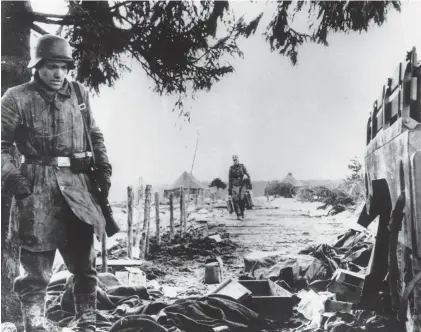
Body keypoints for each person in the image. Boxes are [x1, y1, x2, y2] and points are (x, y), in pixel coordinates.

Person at [1, 34, 112, 332]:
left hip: (78, 186)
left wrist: (103, 168)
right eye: (51, 66)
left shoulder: (79, 93)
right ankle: (35, 322)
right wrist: (14, 179)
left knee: (84, 262)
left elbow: (94, 134)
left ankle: (86, 320)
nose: (58, 73)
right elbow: (0, 146)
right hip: (36, 185)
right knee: (36, 267)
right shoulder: (16, 97)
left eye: (63, 66)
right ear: (37, 67)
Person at [228, 155, 251, 220]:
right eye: (234, 160)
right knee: (236, 200)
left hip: (243, 185)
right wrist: (229, 189)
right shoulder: (231, 168)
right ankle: (238, 214)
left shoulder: (242, 166)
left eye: (236, 160)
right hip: (235, 185)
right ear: (233, 161)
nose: (235, 161)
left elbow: (247, 174)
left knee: (242, 199)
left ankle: (242, 212)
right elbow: (230, 179)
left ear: (238, 160)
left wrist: (249, 183)